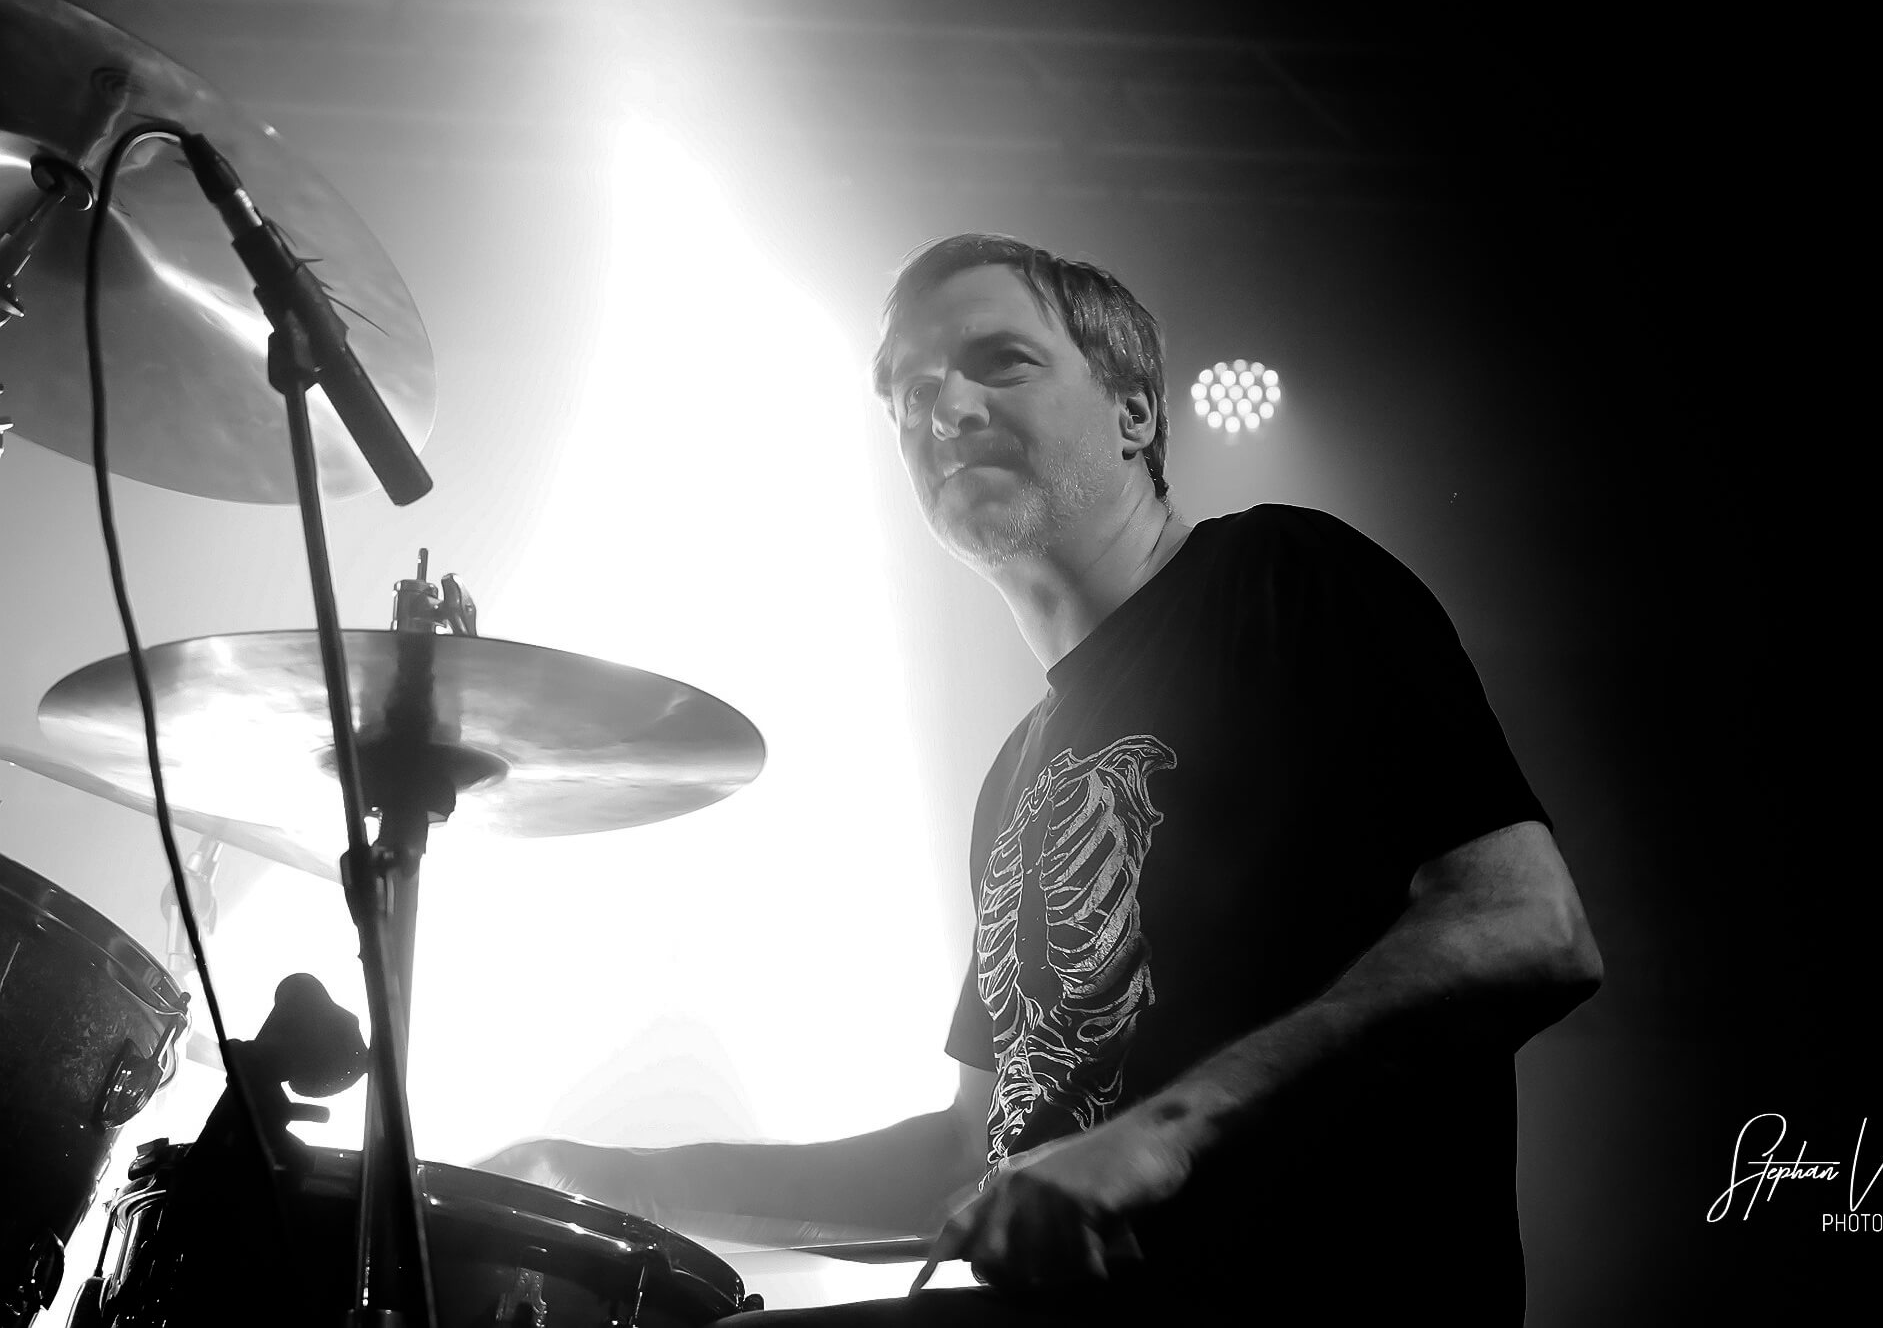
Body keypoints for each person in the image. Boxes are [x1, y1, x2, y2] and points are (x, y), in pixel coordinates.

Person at [482, 233, 1602, 1323]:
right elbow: (967, 1153)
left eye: (999, 362)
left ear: (1135, 412)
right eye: (910, 393)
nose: (944, 411)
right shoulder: (1014, 774)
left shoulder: (1281, 577)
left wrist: (1164, 1133)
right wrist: (621, 1181)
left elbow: (1528, 926)